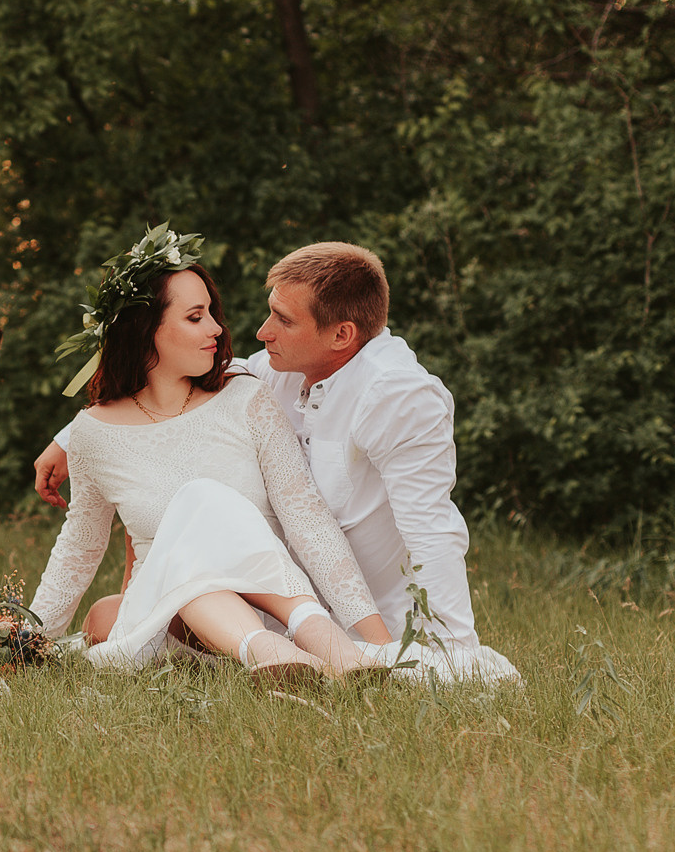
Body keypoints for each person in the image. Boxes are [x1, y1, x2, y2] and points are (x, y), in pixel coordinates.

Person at [36, 240, 520, 681]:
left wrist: (447, 652)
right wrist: (76, 437)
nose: (250, 330)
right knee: (119, 599)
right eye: (196, 316)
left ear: (341, 335)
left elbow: (423, 529)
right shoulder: (273, 370)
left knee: (203, 502)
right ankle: (290, 649)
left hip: (321, 606)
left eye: (283, 320)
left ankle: (304, 651)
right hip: (208, 609)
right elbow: (80, 547)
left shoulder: (387, 395)